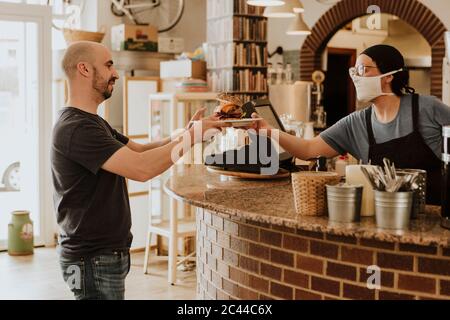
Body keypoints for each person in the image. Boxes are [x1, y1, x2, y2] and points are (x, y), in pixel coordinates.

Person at [51, 41, 227, 300]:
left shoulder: (93, 122)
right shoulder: (77, 128)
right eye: (109, 65)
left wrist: (188, 132)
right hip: (92, 258)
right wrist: (192, 137)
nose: (116, 74)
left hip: (103, 255)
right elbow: (142, 169)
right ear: (85, 69)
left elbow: (141, 150)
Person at [251, 44, 450, 204]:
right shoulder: (357, 122)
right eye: (354, 70)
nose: (356, 76)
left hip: (436, 218)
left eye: (363, 69)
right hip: (387, 219)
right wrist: (269, 131)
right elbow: (308, 149)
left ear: (389, 75)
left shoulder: (427, 107)